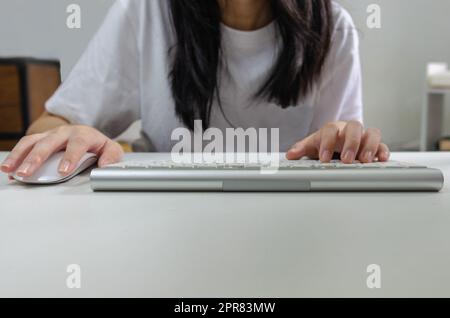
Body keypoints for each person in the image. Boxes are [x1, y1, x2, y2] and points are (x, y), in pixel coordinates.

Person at [1, 0, 390, 178]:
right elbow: (48, 127)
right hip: (163, 230)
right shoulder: (144, 12)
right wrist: (71, 131)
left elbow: (339, 149)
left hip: (289, 229)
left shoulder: (331, 28)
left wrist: (348, 144)